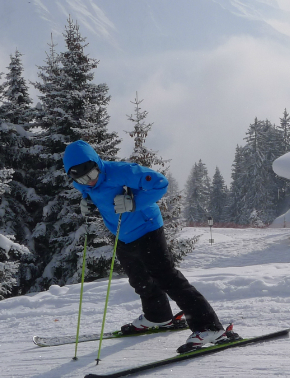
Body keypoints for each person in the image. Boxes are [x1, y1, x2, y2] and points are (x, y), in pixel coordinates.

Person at [63, 140, 237, 351]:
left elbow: (160, 183)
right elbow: (87, 191)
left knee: (167, 278)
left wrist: (134, 202)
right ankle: (158, 317)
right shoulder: (82, 180)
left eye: (91, 175)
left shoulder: (122, 172)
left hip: (148, 229)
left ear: (97, 163)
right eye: (81, 178)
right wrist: (86, 201)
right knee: (140, 280)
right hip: (122, 235)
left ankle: (210, 327)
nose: (89, 181)